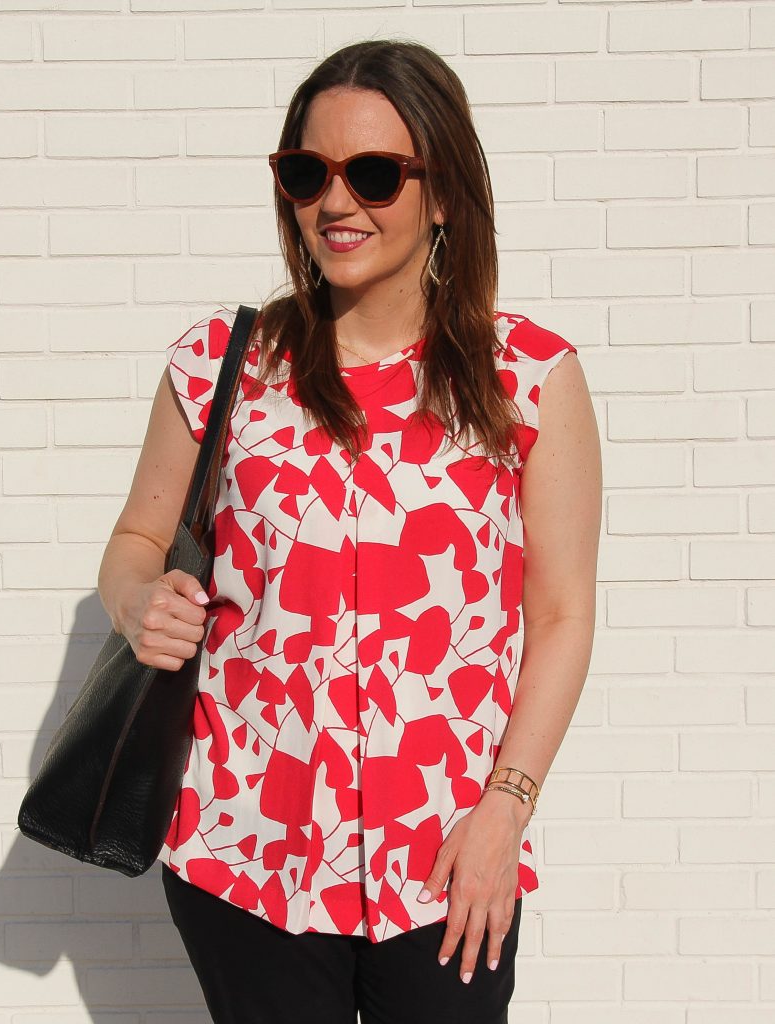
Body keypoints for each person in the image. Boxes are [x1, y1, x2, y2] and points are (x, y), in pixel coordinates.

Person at [97, 38, 601, 1024]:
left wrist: (509, 804)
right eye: (307, 172)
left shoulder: (529, 378)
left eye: (372, 174)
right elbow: (134, 544)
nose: (336, 202)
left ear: (444, 192)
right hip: (247, 852)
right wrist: (134, 601)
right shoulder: (221, 365)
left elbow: (563, 614)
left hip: (452, 860)